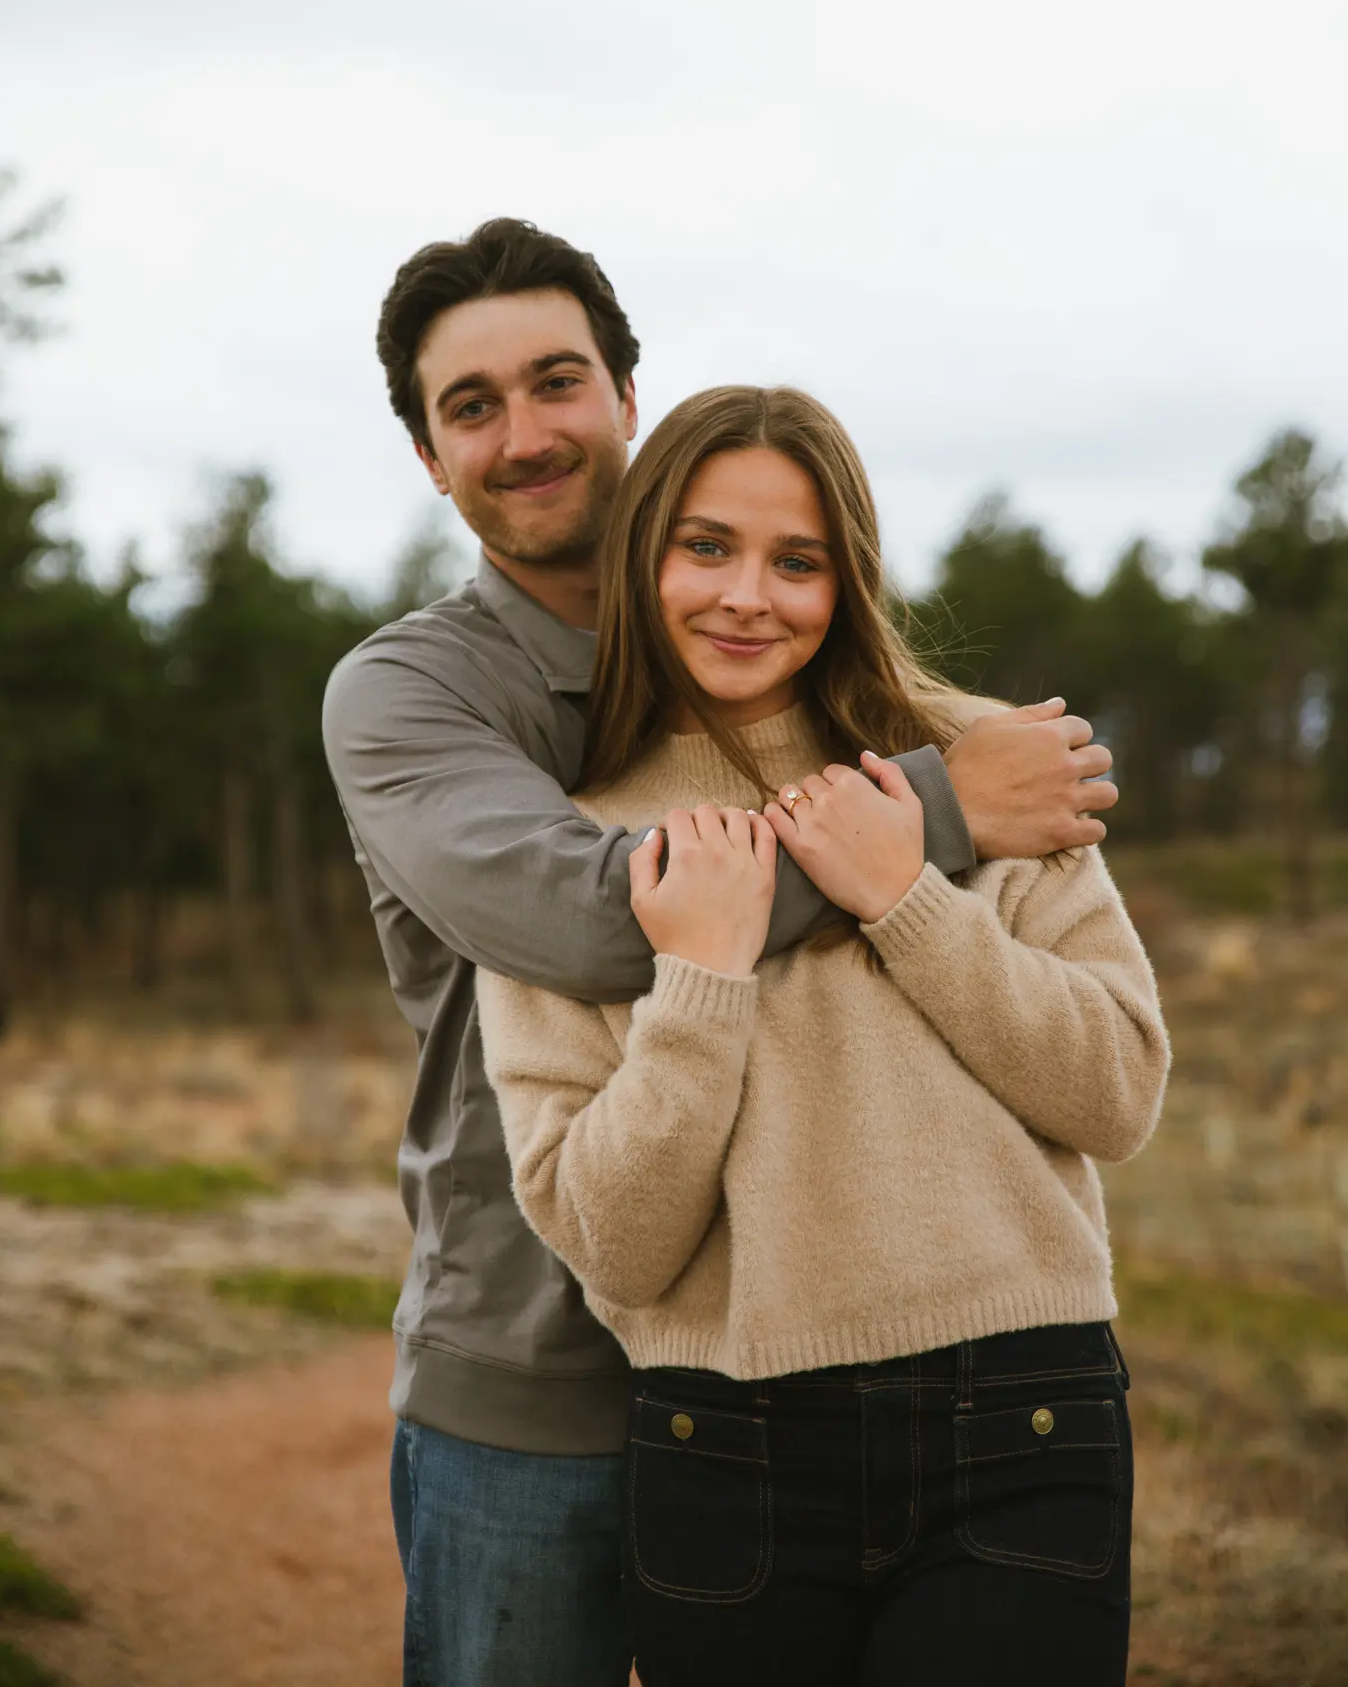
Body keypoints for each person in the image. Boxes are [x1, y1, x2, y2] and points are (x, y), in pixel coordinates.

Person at [322, 220, 1121, 1687]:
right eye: (470, 406)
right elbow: (589, 917)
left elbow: (1114, 1076)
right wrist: (942, 816)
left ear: (630, 396)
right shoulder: (412, 694)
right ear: (431, 459)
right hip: (541, 1374)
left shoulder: (831, 688)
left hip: (861, 1374)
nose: (525, 433)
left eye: (558, 382)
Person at [476, 384, 1168, 1686]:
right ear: (643, 559)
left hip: (1020, 1419)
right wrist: (699, 985)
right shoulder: (568, 846)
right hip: (727, 1441)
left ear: (849, 579)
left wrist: (908, 897)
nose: (750, 595)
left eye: (798, 561)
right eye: (705, 546)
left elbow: (1120, 1089)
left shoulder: (980, 765)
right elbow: (614, 1243)